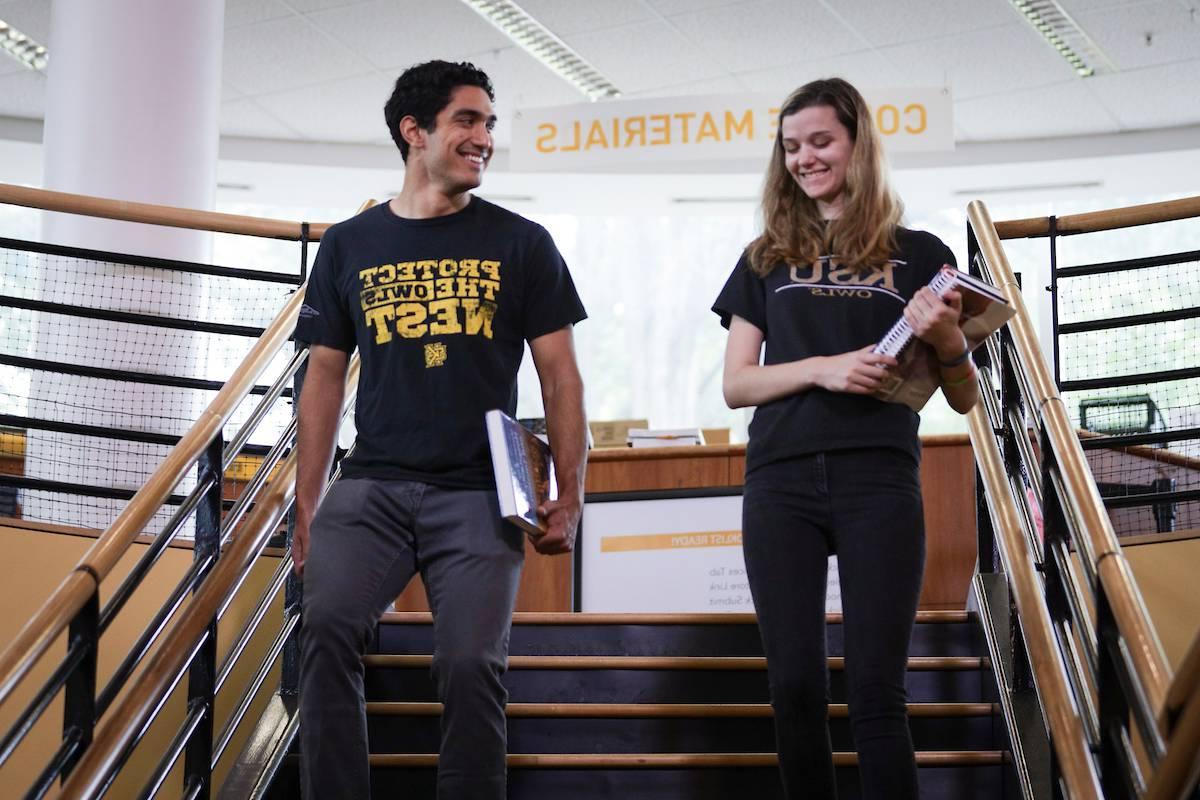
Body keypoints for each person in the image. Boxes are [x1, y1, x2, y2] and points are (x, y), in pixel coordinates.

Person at [293, 60, 587, 799]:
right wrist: (305, 505)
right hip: (372, 486)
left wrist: (570, 493)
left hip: (480, 493)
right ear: (414, 131)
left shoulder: (523, 243)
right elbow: (323, 378)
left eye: (489, 123)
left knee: (469, 664)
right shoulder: (348, 245)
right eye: (468, 120)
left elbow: (561, 377)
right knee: (324, 631)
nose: (485, 137)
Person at [711, 77, 979, 800]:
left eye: (821, 141)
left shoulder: (922, 254)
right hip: (781, 485)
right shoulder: (766, 255)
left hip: (880, 484)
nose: (805, 158)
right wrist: (825, 368)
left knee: (876, 695)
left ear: (859, 145)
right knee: (794, 687)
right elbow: (737, 384)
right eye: (792, 146)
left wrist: (949, 336)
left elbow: (964, 396)